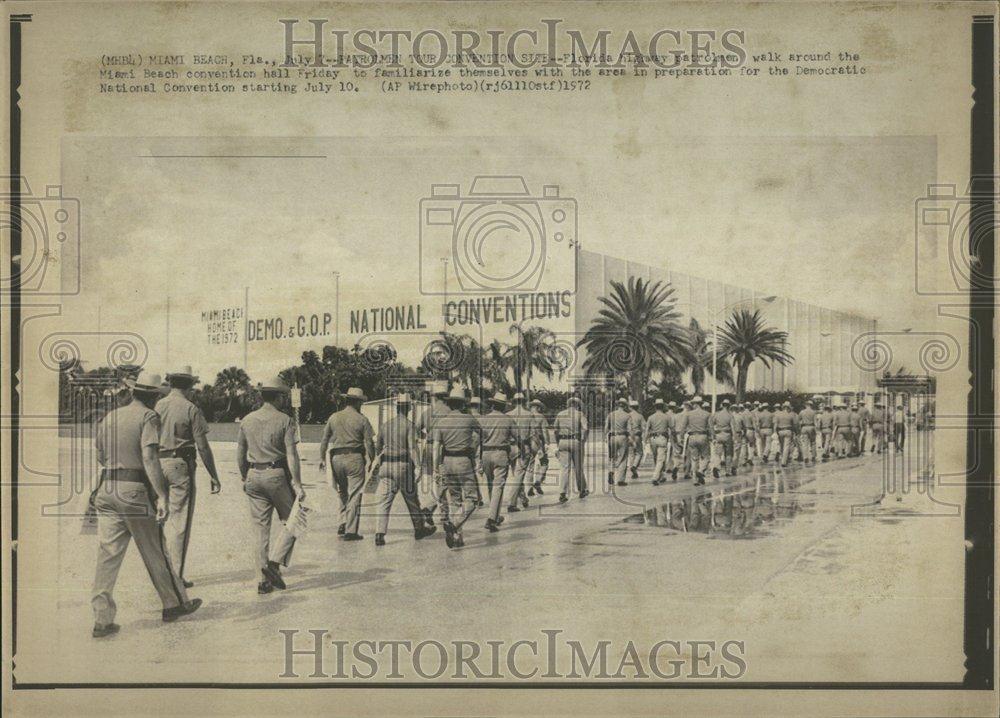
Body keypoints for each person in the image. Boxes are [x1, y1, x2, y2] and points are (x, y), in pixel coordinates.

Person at [91, 371, 201, 638]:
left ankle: (102, 620)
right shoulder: (148, 416)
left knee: (108, 557)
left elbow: (100, 455)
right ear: (153, 397)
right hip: (134, 490)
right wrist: (161, 495)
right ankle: (174, 604)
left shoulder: (110, 416)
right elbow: (150, 457)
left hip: (106, 489)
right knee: (156, 550)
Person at [237, 375, 306, 593]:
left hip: (253, 474)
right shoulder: (284, 420)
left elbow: (240, 454)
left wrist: (243, 477)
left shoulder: (247, 420)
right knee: (295, 519)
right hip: (276, 475)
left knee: (260, 530)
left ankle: (262, 580)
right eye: (283, 396)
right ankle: (274, 563)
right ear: (276, 397)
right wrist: (297, 483)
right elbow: (291, 455)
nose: (285, 400)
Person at [154, 365, 221, 588]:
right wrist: (213, 474)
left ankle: (162, 574)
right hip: (180, 464)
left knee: (161, 520)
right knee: (179, 522)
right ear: (190, 385)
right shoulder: (191, 408)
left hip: (157, 462)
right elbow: (202, 446)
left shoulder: (158, 406)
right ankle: (175, 578)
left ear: (171, 382)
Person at [371, 394, 437, 546]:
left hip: (386, 466)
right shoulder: (409, 425)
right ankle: (419, 529)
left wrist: (380, 461)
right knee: (411, 499)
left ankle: (379, 534)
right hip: (402, 466)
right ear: (408, 408)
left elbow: (378, 447)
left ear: (396, 407)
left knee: (384, 501)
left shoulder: (385, 425)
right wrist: (419, 466)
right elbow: (412, 448)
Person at [318, 387, 375, 541]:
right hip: (354, 457)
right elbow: (369, 442)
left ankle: (342, 522)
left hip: (335, 458)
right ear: (357, 402)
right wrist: (372, 459)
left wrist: (322, 459)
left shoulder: (334, 417)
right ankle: (351, 530)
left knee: (342, 492)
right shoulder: (362, 419)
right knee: (355, 494)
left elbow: (324, 440)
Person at [432, 387, 482, 548]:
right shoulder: (469, 419)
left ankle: (457, 538)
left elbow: (436, 448)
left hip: (446, 461)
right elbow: (480, 434)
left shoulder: (441, 422)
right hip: (463, 460)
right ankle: (454, 524)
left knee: (455, 500)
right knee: (472, 499)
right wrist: (473, 448)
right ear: (461, 405)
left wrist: (436, 468)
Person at [478, 392, 515, 532]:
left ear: (492, 405)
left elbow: (478, 439)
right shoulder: (508, 420)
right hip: (501, 453)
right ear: (504, 406)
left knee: (490, 484)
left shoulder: (482, 419)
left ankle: (494, 514)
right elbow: (517, 436)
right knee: (498, 486)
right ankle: (492, 518)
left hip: (486, 453)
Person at [416, 381, 450, 528]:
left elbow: (416, 430)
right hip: (443, 448)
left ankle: (436, 509)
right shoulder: (449, 412)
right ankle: (438, 510)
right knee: (443, 481)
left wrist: (426, 437)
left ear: (434, 397)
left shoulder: (426, 412)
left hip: (429, 447)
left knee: (431, 480)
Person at [554, 392, 589, 501]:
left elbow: (555, 430)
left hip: (562, 441)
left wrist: (558, 443)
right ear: (577, 405)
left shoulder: (560, 414)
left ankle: (562, 492)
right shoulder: (580, 414)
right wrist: (583, 440)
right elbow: (586, 428)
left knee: (564, 468)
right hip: (575, 441)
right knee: (578, 467)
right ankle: (582, 490)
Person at [505, 392, 534, 512]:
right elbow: (533, 434)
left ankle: (523, 498)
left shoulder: (507, 415)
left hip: (511, 447)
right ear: (523, 401)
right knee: (519, 475)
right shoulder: (529, 415)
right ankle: (512, 503)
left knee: (517, 474)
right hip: (524, 446)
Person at [605, 396, 632, 487]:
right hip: (622, 437)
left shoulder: (611, 414)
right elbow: (629, 429)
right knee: (623, 458)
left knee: (612, 457)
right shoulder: (627, 415)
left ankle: (611, 471)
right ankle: (620, 480)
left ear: (618, 405)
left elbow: (606, 428)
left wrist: (606, 437)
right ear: (625, 406)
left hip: (612, 437)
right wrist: (631, 439)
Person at [684, 396, 711, 485]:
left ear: (695, 404)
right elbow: (710, 427)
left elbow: (684, 427)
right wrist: (713, 437)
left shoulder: (688, 414)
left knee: (694, 459)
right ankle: (701, 470)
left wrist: (680, 437)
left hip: (692, 436)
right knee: (706, 457)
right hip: (703, 436)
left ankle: (695, 479)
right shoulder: (707, 414)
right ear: (701, 404)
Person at [646, 398, 672, 486]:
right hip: (662, 438)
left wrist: (645, 440)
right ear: (663, 406)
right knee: (661, 459)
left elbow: (647, 430)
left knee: (656, 458)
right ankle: (655, 477)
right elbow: (672, 428)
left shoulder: (651, 417)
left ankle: (661, 476)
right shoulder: (667, 417)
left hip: (652, 438)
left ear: (655, 407)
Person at [709, 399, 736, 478]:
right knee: (728, 454)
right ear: (729, 406)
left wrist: (713, 435)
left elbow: (711, 425)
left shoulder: (716, 414)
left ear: (722, 405)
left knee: (718, 453)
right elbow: (733, 428)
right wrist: (734, 437)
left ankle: (716, 467)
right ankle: (728, 471)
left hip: (718, 435)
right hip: (727, 435)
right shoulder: (730, 415)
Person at [528, 398, 550, 494]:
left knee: (530, 464)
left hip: (528, 442)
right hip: (539, 442)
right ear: (537, 407)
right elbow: (545, 432)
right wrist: (547, 443)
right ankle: (538, 481)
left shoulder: (526, 416)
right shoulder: (541, 417)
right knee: (544, 462)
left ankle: (529, 488)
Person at [774, 401, 798, 467]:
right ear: (788, 408)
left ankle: (783, 458)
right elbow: (795, 425)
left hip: (780, 431)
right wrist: (796, 432)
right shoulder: (791, 414)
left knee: (781, 446)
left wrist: (775, 432)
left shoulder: (778, 414)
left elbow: (775, 424)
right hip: (788, 431)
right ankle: (784, 462)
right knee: (786, 446)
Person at [627, 399, 646, 479]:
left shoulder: (627, 415)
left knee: (631, 454)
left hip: (628, 436)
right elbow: (644, 427)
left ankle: (633, 471)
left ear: (630, 407)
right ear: (637, 407)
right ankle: (634, 466)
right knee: (639, 453)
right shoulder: (640, 416)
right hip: (637, 436)